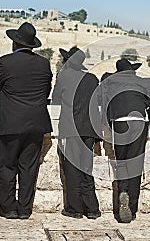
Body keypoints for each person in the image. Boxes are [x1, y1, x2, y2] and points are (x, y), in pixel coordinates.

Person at [0, 22, 52, 219]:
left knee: (7, 166)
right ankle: (24, 209)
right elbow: (46, 91)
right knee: (29, 168)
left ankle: (8, 209)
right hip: (37, 123)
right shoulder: (44, 63)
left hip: (10, 123)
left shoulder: (5, 62)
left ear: (15, 43)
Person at [100, 58, 150, 223]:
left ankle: (122, 193)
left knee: (122, 162)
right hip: (138, 121)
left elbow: (100, 100)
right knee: (135, 165)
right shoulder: (141, 82)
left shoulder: (109, 82)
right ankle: (131, 208)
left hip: (119, 122)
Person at [51, 46, 101, 219]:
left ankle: (75, 209)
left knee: (72, 169)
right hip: (89, 129)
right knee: (86, 168)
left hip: (71, 128)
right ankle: (92, 209)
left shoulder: (63, 76)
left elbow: (56, 99)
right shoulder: (92, 79)